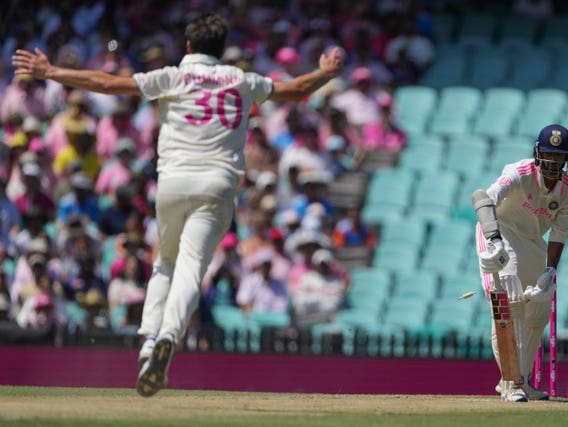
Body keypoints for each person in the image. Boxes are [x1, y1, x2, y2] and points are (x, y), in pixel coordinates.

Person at [12, 11, 344, 397]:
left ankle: (150, 341)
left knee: (164, 261)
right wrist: (325, 74)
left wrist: (51, 71)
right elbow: (298, 89)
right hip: (218, 183)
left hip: (172, 182)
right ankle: (170, 333)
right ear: (222, 50)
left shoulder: (174, 75)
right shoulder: (241, 79)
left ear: (188, 46)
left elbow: (105, 82)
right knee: (190, 265)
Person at [473, 124, 568, 402]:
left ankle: (523, 379)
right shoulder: (518, 173)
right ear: (537, 154)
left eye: (559, 157)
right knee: (510, 301)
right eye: (548, 155)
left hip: (531, 240)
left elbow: (558, 234)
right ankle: (512, 382)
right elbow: (482, 197)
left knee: (540, 308)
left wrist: (550, 270)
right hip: (500, 230)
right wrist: (493, 239)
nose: (553, 163)